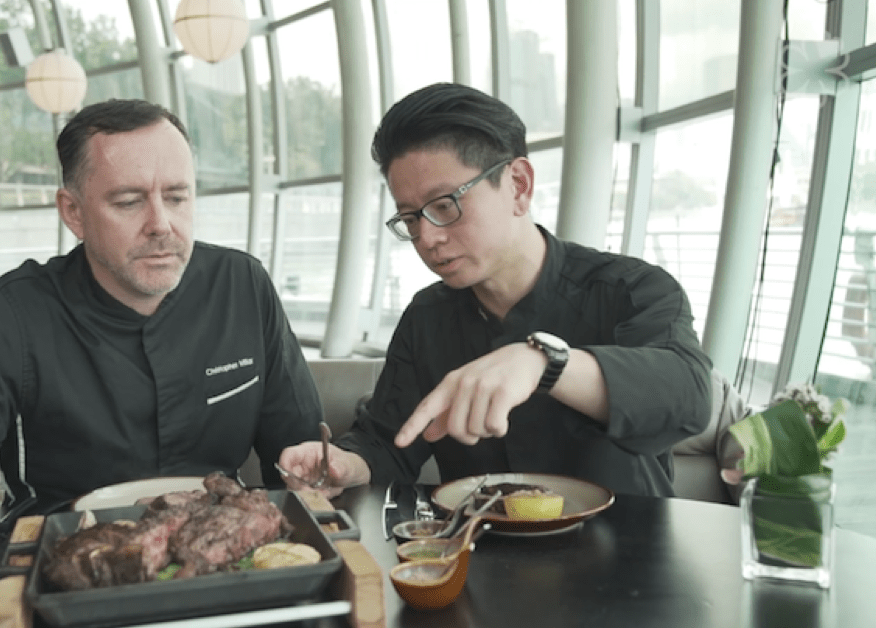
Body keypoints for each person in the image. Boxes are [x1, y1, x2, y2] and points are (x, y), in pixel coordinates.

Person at [0, 99, 323, 613]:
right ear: (72, 212)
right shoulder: (15, 315)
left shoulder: (242, 286)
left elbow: (299, 452)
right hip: (57, 573)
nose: (162, 223)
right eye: (128, 202)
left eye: (179, 197)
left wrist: (320, 469)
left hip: (224, 565)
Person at [280, 83, 712, 498]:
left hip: (630, 557)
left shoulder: (630, 290)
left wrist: (545, 363)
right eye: (410, 218)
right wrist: (344, 464)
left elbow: (688, 395)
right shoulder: (427, 317)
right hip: (481, 554)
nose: (426, 239)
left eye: (445, 205)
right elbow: (390, 440)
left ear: (518, 185)